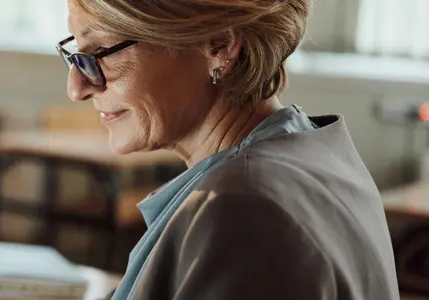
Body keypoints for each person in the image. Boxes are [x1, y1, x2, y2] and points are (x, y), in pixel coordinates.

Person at [57, 0, 399, 299]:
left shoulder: (241, 208)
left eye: (99, 51)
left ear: (220, 45)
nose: (77, 87)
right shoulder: (317, 151)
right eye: (75, 54)